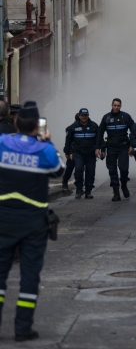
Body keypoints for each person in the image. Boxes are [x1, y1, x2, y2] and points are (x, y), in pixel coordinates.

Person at [0, 100, 64, 342]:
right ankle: (23, 328)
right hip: (34, 222)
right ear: (37, 126)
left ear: (15, 123)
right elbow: (59, 170)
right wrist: (46, 141)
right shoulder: (44, 150)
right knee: (29, 275)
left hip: (3, 216)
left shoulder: (2, 143)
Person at [96, 98, 135, 202]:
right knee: (112, 170)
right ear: (111, 105)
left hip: (123, 147)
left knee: (123, 169)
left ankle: (124, 184)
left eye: (118, 105)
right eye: (115, 105)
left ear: (121, 106)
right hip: (111, 147)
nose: (116, 107)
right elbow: (100, 133)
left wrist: (132, 145)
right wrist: (102, 148)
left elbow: (134, 131)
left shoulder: (126, 117)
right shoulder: (106, 117)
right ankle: (116, 192)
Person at [65, 108, 99, 199]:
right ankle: (79, 189)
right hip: (78, 153)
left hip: (91, 153)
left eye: (86, 115)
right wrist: (68, 152)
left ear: (88, 115)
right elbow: (68, 141)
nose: (84, 117)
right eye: (82, 115)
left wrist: (98, 149)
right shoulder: (73, 127)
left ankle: (88, 191)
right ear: (79, 116)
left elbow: (98, 140)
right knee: (78, 170)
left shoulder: (94, 126)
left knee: (90, 172)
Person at [62, 113, 79, 192]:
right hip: (73, 151)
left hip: (80, 151)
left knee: (79, 169)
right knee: (70, 168)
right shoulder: (71, 128)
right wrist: (67, 152)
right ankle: (65, 181)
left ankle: (78, 184)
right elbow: (68, 142)